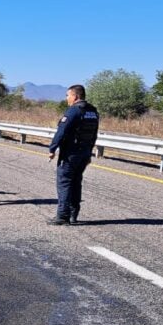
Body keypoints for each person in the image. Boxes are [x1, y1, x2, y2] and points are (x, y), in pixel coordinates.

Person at [48, 84, 100, 225]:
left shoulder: (73, 111)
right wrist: (89, 152)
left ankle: (62, 216)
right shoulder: (93, 112)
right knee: (76, 182)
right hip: (84, 153)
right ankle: (73, 214)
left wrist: (52, 148)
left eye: (68, 95)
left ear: (75, 96)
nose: (67, 98)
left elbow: (62, 131)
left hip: (71, 153)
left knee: (64, 182)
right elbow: (94, 134)